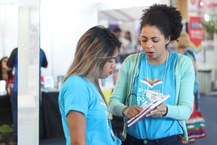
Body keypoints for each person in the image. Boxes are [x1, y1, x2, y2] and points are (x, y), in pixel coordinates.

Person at [108, 4, 195, 145]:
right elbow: (113, 103)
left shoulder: (182, 64)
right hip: (133, 140)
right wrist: (125, 110)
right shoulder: (132, 62)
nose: (148, 45)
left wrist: (166, 110)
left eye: (155, 40)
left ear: (167, 39)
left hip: (168, 140)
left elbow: (186, 110)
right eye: (143, 39)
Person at [58, 25, 122, 145]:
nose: (113, 65)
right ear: (95, 57)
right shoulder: (76, 86)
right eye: (110, 60)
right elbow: (78, 142)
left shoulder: (90, 83)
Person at [7, 47, 48, 144]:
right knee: (33, 115)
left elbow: (8, 66)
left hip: (19, 89)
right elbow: (45, 64)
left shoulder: (17, 51)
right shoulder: (40, 51)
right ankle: (33, 138)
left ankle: (17, 139)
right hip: (34, 90)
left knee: (17, 114)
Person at [177, 32, 200, 111]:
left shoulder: (187, 53)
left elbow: (191, 70)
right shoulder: (182, 53)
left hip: (191, 87)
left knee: (191, 114)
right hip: (188, 86)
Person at [0, 57, 13, 125]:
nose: (7, 63)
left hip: (9, 96)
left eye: (8, 61)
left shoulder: (11, 74)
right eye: (5, 61)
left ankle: (10, 121)